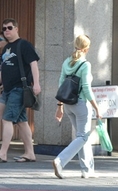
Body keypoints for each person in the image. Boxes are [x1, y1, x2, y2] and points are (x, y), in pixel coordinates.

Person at [52, 35, 101, 178]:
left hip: (68, 105)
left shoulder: (67, 61)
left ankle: (87, 170)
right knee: (83, 136)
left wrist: (59, 106)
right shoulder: (85, 64)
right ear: (87, 48)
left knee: (82, 137)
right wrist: (96, 107)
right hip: (80, 105)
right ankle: (60, 161)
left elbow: (61, 84)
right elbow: (86, 88)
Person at [0, 18, 40, 163]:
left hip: (19, 89)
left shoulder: (24, 45)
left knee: (7, 119)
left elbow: (33, 64)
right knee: (21, 121)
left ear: (16, 28)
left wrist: (36, 84)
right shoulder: (6, 48)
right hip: (7, 89)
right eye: (4, 29)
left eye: (9, 28)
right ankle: (30, 153)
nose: (6, 31)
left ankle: (2, 153)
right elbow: (3, 67)